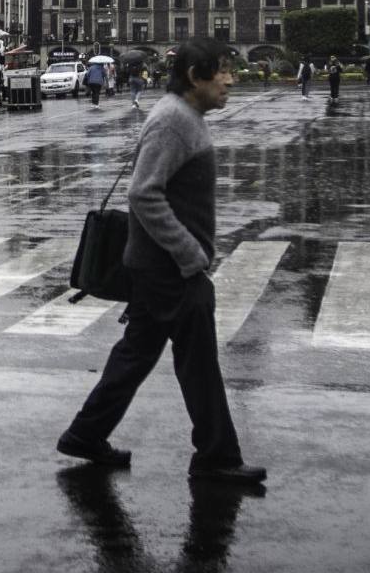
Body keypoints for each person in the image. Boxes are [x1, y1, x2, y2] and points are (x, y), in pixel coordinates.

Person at [56, 37, 265, 485]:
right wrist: (190, 254)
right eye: (222, 70)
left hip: (159, 266)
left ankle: (84, 434)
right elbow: (143, 193)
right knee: (199, 363)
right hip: (169, 268)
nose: (231, 79)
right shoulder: (174, 121)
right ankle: (216, 455)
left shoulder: (186, 116)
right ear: (195, 77)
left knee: (136, 355)